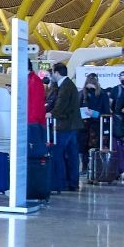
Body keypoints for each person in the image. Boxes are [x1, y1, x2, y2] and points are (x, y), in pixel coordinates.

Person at [47, 62, 82, 192]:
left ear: (57, 72)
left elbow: (61, 104)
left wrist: (51, 113)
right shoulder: (67, 84)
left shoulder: (66, 86)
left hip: (65, 125)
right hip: (72, 125)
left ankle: (61, 182)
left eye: (53, 72)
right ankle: (72, 182)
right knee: (72, 155)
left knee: (58, 153)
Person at [81, 73, 110, 152]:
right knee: (84, 150)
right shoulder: (82, 94)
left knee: (95, 149)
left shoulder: (103, 95)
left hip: (97, 126)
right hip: (84, 127)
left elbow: (107, 113)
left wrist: (95, 114)